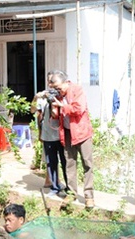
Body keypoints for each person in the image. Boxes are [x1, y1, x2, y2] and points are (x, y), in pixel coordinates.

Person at [48, 70, 95, 208]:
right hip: (67, 133)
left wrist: (63, 105)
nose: (57, 91)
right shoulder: (58, 95)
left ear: (65, 82)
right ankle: (72, 193)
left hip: (81, 132)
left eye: (58, 87)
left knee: (87, 163)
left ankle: (89, 196)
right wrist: (54, 107)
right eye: (54, 89)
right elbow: (55, 117)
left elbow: (79, 109)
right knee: (69, 163)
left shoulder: (77, 90)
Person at [31, 72, 68, 199]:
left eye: (53, 82)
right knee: (50, 162)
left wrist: (55, 101)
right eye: (49, 81)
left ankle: (68, 187)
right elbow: (33, 110)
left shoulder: (62, 95)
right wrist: (36, 97)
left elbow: (62, 112)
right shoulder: (43, 96)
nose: (50, 84)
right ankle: (54, 186)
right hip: (48, 134)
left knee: (65, 161)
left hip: (61, 135)